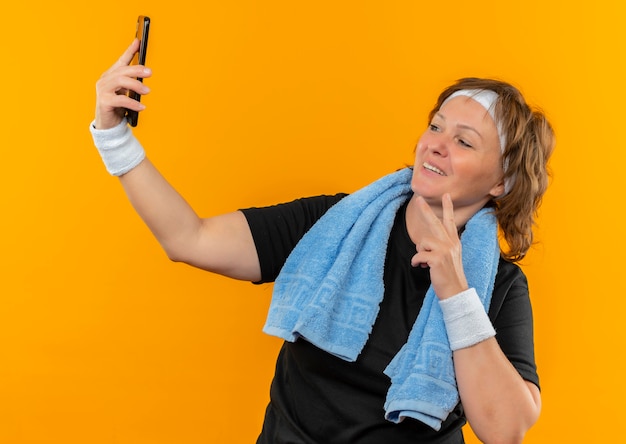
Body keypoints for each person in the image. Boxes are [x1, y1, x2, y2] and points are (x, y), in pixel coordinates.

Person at [90, 39, 555, 444]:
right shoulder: (336, 226)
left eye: (464, 141)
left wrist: (456, 293)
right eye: (435, 126)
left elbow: (504, 429)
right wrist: (115, 140)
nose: (435, 144)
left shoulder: (500, 288)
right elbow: (189, 238)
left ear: (502, 182)